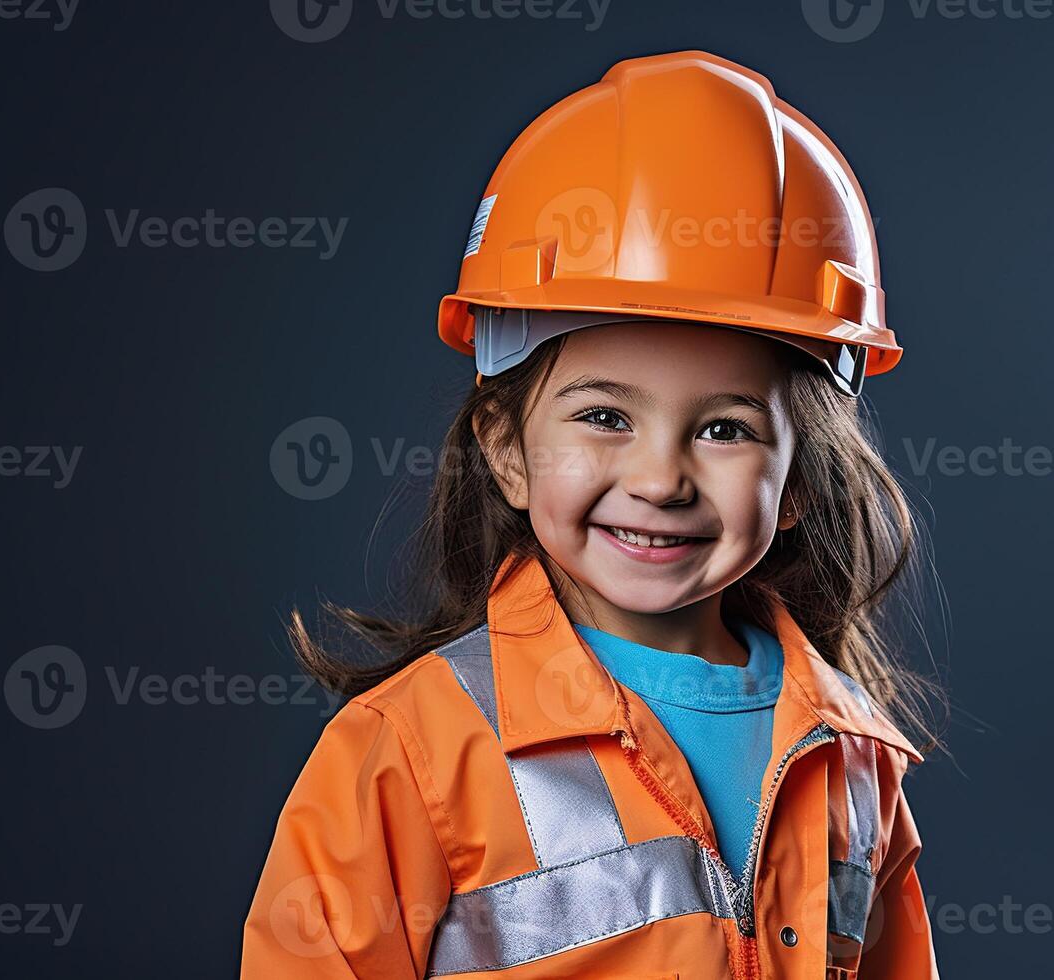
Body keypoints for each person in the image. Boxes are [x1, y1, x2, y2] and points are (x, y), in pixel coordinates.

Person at [241, 49, 942, 979]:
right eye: (606, 417)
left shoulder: (850, 757)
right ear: (505, 448)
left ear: (802, 478)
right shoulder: (410, 747)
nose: (660, 479)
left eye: (725, 429)